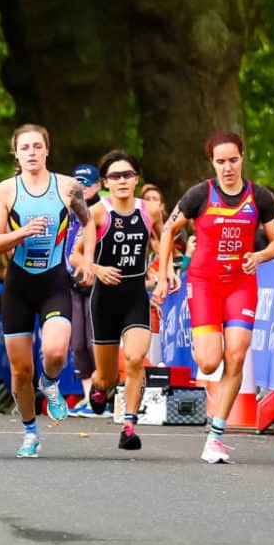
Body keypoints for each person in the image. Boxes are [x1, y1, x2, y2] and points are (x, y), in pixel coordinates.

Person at [154, 132, 274, 464]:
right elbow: (169, 229)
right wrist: (167, 270)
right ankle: (216, 396)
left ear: (242, 158)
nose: (227, 168)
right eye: (220, 161)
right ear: (212, 163)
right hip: (205, 283)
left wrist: (260, 256)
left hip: (241, 283)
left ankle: (216, 436)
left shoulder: (260, 196)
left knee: (237, 355)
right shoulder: (200, 194)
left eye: (233, 160)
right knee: (210, 361)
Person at [0, 123, 95, 458]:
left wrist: (86, 261)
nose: (31, 153)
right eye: (25, 148)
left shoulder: (68, 187)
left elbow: (88, 223)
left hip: (54, 283)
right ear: (16, 154)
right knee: (20, 370)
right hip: (18, 286)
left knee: (57, 351)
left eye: (37, 146)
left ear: (47, 150)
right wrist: (23, 233)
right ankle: (30, 431)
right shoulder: (6, 190)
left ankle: (50, 381)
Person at [86, 151, 161, 450]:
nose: (121, 181)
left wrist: (166, 269)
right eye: (115, 176)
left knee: (133, 359)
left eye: (127, 175)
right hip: (104, 300)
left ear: (136, 179)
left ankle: (129, 425)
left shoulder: (150, 210)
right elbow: (75, 253)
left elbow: (162, 239)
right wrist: (96, 268)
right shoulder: (97, 213)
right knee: (106, 376)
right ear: (105, 182)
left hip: (135, 296)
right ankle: (99, 386)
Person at [66, 163, 102, 417]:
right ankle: (90, 396)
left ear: (99, 185)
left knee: (95, 341)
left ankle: (103, 395)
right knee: (77, 341)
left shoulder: (104, 210)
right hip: (70, 281)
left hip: (99, 281)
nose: (83, 187)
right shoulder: (65, 211)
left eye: (88, 183)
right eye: (78, 182)